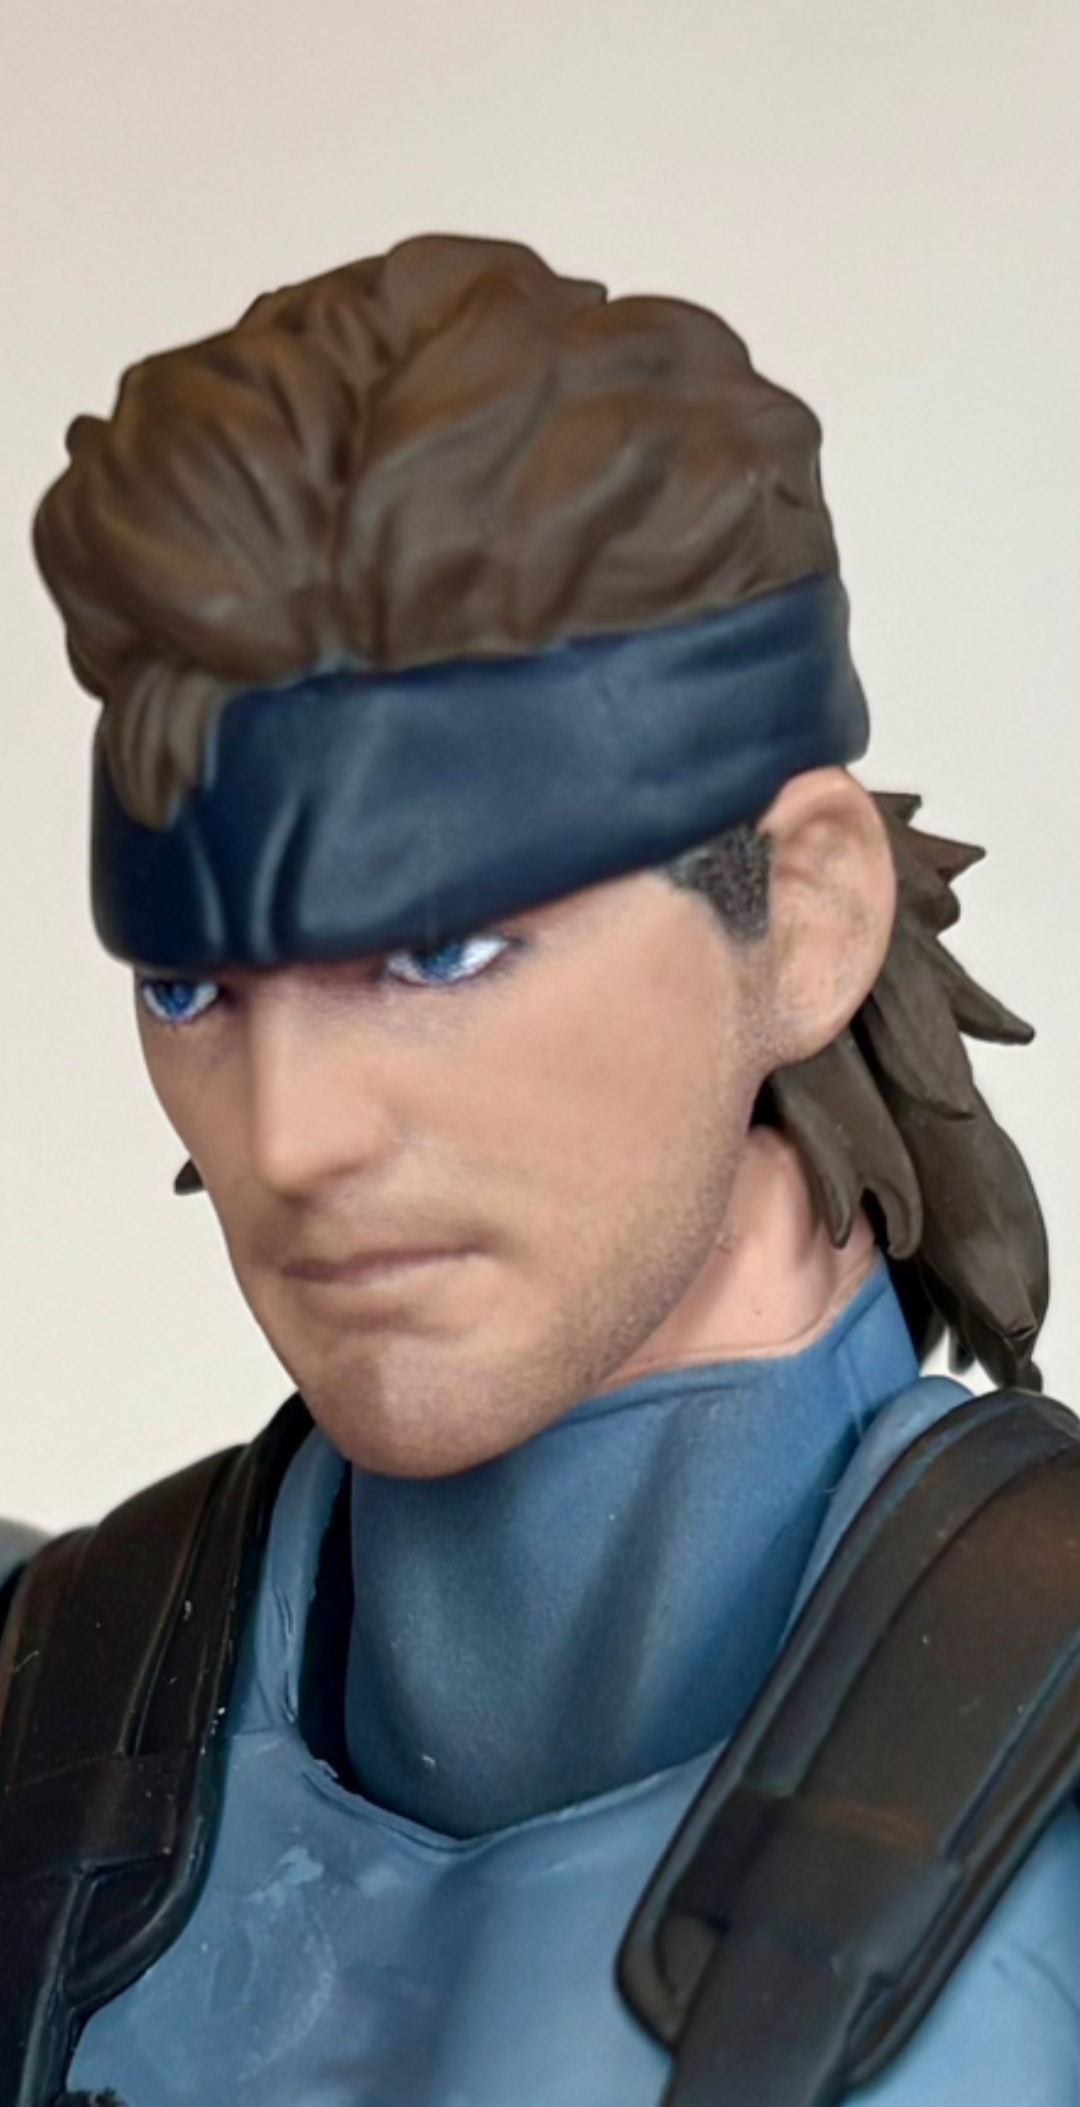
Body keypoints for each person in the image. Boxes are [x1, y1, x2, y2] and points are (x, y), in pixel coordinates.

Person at [3, 234, 1077, 2106]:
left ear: (806, 916)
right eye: (190, 988)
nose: (286, 1138)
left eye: (441, 953)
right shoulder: (43, 1712)